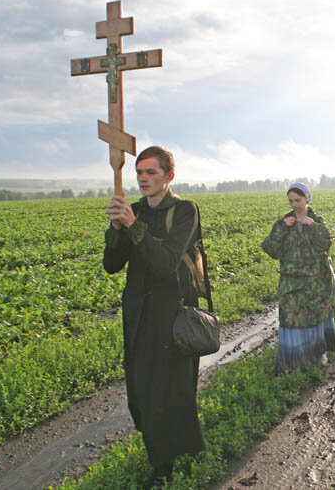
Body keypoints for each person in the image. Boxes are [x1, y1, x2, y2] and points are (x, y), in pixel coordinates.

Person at [103, 146, 205, 483]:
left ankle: (171, 464)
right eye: (139, 172)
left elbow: (164, 265)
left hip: (173, 313)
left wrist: (133, 226)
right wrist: (117, 230)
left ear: (169, 176)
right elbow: (111, 265)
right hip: (139, 314)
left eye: (151, 173)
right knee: (142, 390)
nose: (143, 179)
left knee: (174, 391)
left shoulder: (185, 211)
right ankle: (163, 454)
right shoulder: (133, 211)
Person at [262, 183, 335, 373]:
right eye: (291, 201)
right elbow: (271, 249)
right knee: (291, 318)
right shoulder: (284, 223)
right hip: (291, 281)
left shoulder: (316, 221)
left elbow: (325, 246)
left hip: (316, 281)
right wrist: (281, 228)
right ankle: (293, 361)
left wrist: (313, 227)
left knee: (315, 317)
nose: (295, 205)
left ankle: (317, 355)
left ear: (307, 199)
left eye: (298, 200)